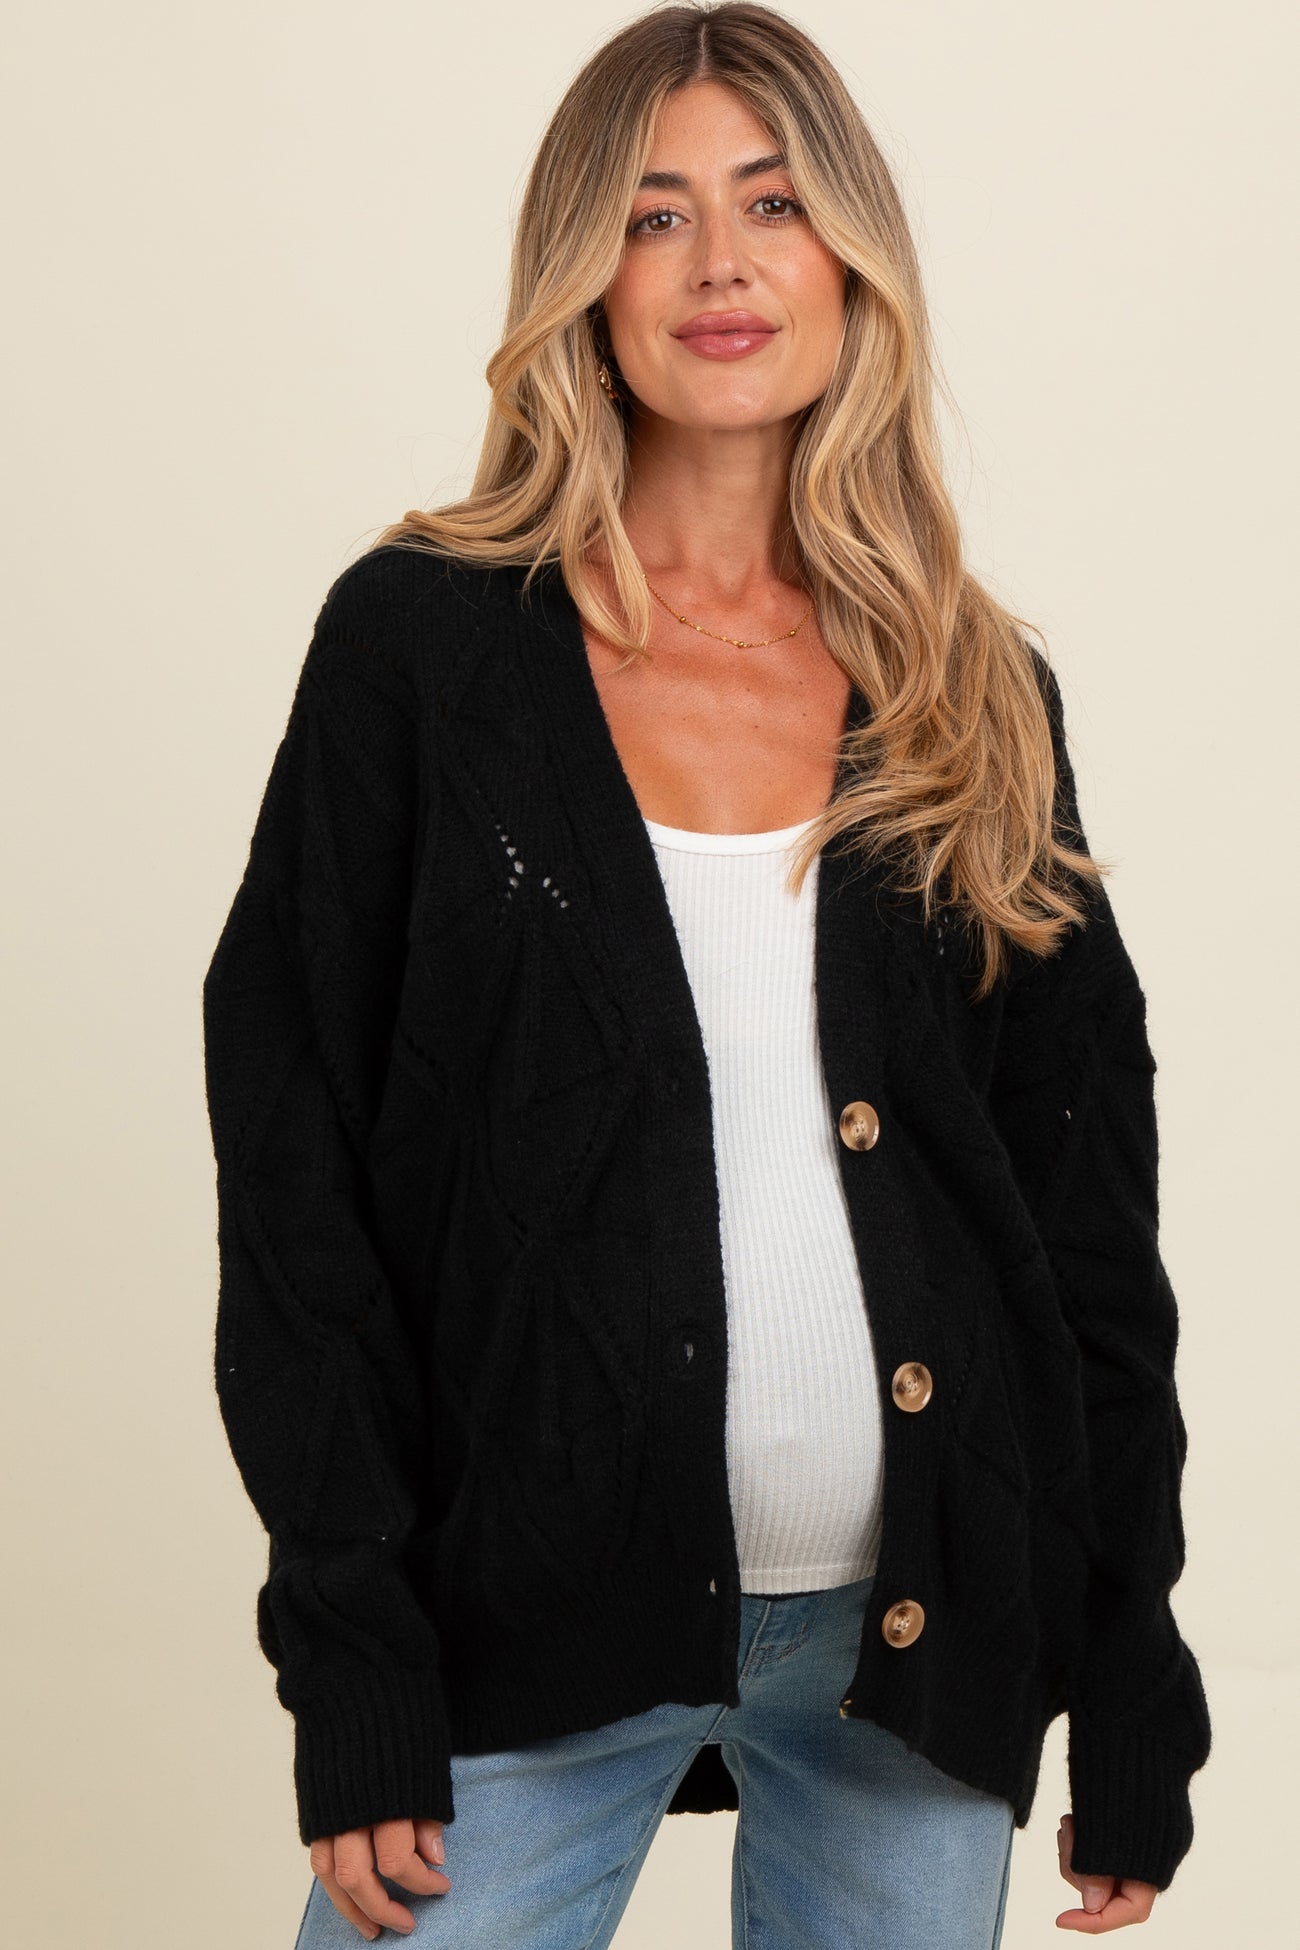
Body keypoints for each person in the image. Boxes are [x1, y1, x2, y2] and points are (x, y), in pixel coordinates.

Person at [201, 5, 1211, 1944]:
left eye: (773, 203)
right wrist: (355, 1655)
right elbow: (299, 1182)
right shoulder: (422, 653)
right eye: (654, 217)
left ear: (852, 260)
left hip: (917, 1641)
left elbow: (1083, 1220)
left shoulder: (969, 689)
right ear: (583, 282)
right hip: (517, 1615)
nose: (721, 264)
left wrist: (1129, 1662)